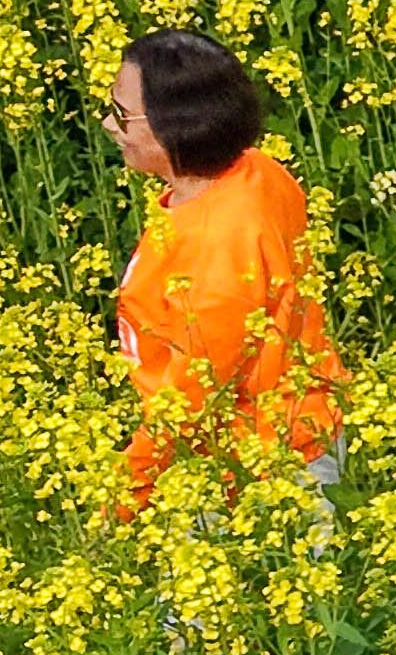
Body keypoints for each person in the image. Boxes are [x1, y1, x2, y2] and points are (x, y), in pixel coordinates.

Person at [107, 28, 347, 510]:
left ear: (176, 124)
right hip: (275, 441)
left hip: (259, 475)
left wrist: (127, 493)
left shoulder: (221, 244)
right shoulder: (254, 169)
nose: (110, 127)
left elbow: (195, 391)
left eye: (121, 114)